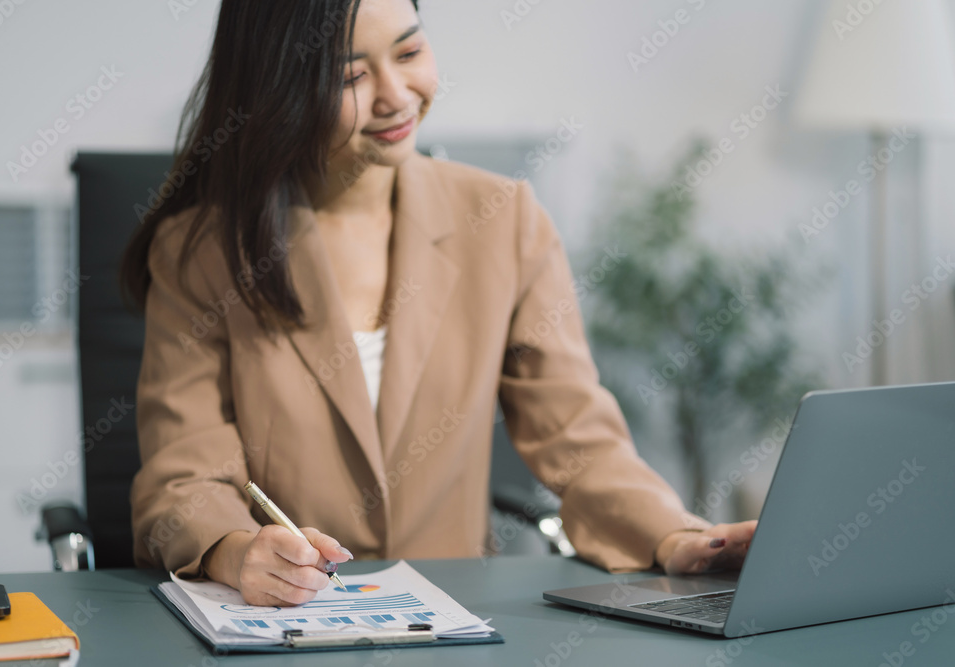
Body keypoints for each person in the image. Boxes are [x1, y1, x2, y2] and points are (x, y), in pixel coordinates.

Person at [123, 0, 756, 607]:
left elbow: (577, 437)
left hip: (455, 618)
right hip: (285, 623)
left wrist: (674, 536)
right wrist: (237, 552)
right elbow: (185, 474)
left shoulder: (503, 221)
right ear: (278, 85)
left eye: (411, 51)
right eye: (350, 76)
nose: (397, 95)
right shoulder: (203, 251)